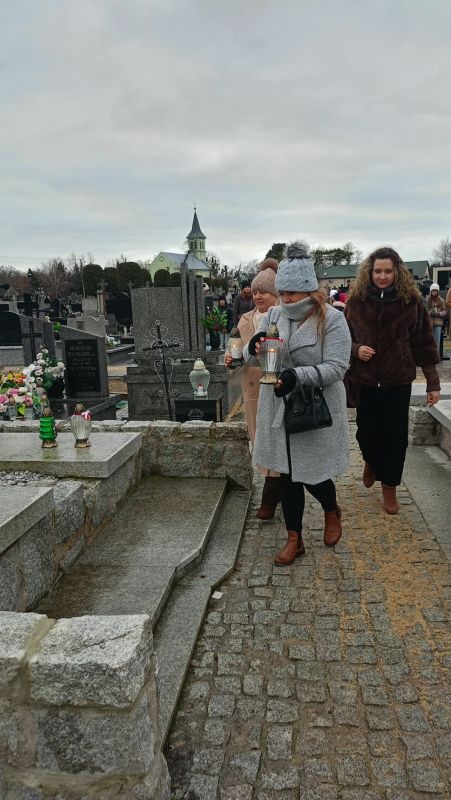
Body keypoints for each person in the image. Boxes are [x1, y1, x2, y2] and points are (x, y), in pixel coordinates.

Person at [245, 243, 351, 565]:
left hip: (314, 406)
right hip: (279, 406)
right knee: (287, 474)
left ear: (308, 288)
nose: (286, 299)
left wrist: (298, 376)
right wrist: (256, 344)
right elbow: (254, 351)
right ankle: (295, 538)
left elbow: (337, 367)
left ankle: (331, 510)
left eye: (291, 292)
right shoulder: (274, 314)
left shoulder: (332, 319)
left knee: (312, 473)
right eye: (282, 292)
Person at [345, 247, 440, 515]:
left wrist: (433, 383)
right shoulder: (357, 302)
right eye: (378, 271)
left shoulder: (411, 302)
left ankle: (390, 488)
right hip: (365, 381)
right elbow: (342, 338)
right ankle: (371, 461)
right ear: (370, 272)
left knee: (395, 438)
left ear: (397, 272)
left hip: (398, 380)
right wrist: (356, 349)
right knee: (366, 432)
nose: (383, 276)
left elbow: (424, 343)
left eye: (388, 271)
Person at [225, 259, 280, 520]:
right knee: (258, 439)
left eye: (264, 292)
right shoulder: (245, 319)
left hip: (276, 386)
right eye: (255, 291)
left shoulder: (283, 318)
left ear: (276, 294)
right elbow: (234, 350)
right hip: (252, 388)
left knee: (274, 440)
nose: (258, 296)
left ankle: (270, 495)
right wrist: (229, 359)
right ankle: (274, 488)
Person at [427, 283, 447, 354]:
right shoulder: (427, 300)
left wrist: (439, 314)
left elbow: (445, 311)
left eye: (436, 291)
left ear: (438, 292)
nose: (434, 292)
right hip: (429, 322)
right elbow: (425, 310)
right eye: (433, 291)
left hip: (438, 323)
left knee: (437, 341)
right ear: (431, 291)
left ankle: (436, 355)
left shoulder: (441, 300)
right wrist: (430, 313)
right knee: (429, 340)